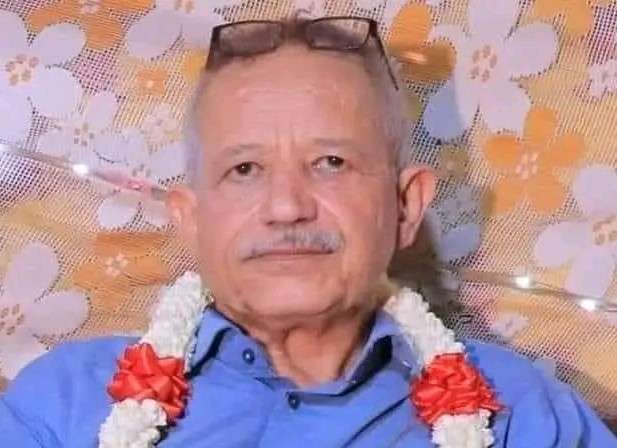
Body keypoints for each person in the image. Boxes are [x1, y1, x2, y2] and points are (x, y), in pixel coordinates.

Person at [1, 16, 616, 448]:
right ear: (191, 218)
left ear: (406, 206)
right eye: (245, 170)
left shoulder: (521, 416)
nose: (287, 207)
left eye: (331, 163)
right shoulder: (63, 407)